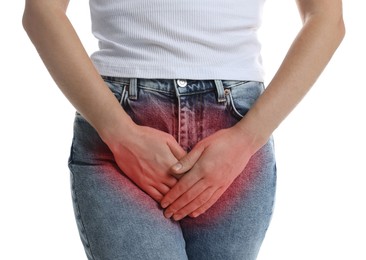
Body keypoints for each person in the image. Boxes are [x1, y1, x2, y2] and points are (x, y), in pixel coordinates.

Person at [22, 0, 345, 259]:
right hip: (120, 122)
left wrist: (246, 139)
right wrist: (120, 133)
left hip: (234, 130)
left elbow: (327, 19)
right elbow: (41, 11)